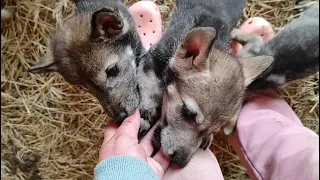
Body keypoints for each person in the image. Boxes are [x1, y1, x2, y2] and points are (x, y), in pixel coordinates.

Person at [94, 1, 319, 180]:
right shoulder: (192, 54)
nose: (185, 155)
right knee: (153, 67)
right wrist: (147, 106)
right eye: (189, 113)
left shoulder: (200, 66)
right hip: (195, 44)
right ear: (191, 53)